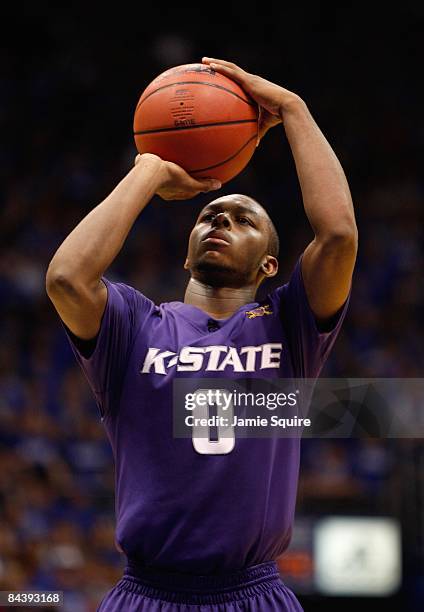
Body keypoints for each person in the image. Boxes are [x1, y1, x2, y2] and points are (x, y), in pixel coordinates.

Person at [46, 58, 357, 611]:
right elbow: (68, 278)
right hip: (147, 591)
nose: (221, 223)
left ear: (268, 266)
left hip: (253, 592)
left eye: (244, 221)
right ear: (187, 254)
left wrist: (293, 109)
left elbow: (337, 235)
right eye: (210, 215)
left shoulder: (291, 326)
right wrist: (149, 171)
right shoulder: (134, 325)